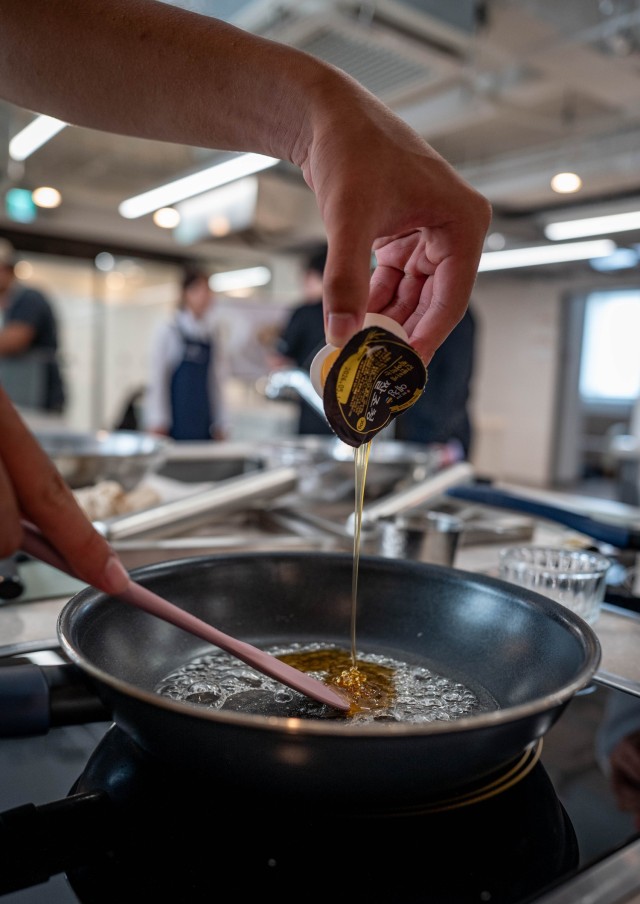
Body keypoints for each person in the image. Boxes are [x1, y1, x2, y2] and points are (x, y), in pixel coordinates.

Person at [0, 0, 491, 595]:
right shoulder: (171, 331)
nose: (208, 300)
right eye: (202, 290)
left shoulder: (214, 333)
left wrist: (316, 119)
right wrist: (318, 116)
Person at [143, 266, 229, 441]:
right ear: (185, 293)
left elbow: (216, 381)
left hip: (203, 420)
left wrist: (222, 422)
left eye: (207, 290)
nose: (204, 296)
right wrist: (157, 421)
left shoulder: (212, 333)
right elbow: (158, 378)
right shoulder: (169, 329)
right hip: (175, 420)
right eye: (198, 289)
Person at [394, 304, 477, 459]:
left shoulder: (454, 313)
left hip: (439, 439)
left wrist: (439, 438)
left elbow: (453, 384)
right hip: (410, 435)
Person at [270, 246, 334, 436]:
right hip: (353, 415)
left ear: (313, 276)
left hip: (314, 414)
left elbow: (277, 360)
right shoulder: (358, 313)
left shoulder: (303, 313)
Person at [0, 238, 65, 413]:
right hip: (18, 394)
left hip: (38, 395)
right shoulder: (8, 304)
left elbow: (14, 341)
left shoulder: (29, 299)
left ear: (8, 270)